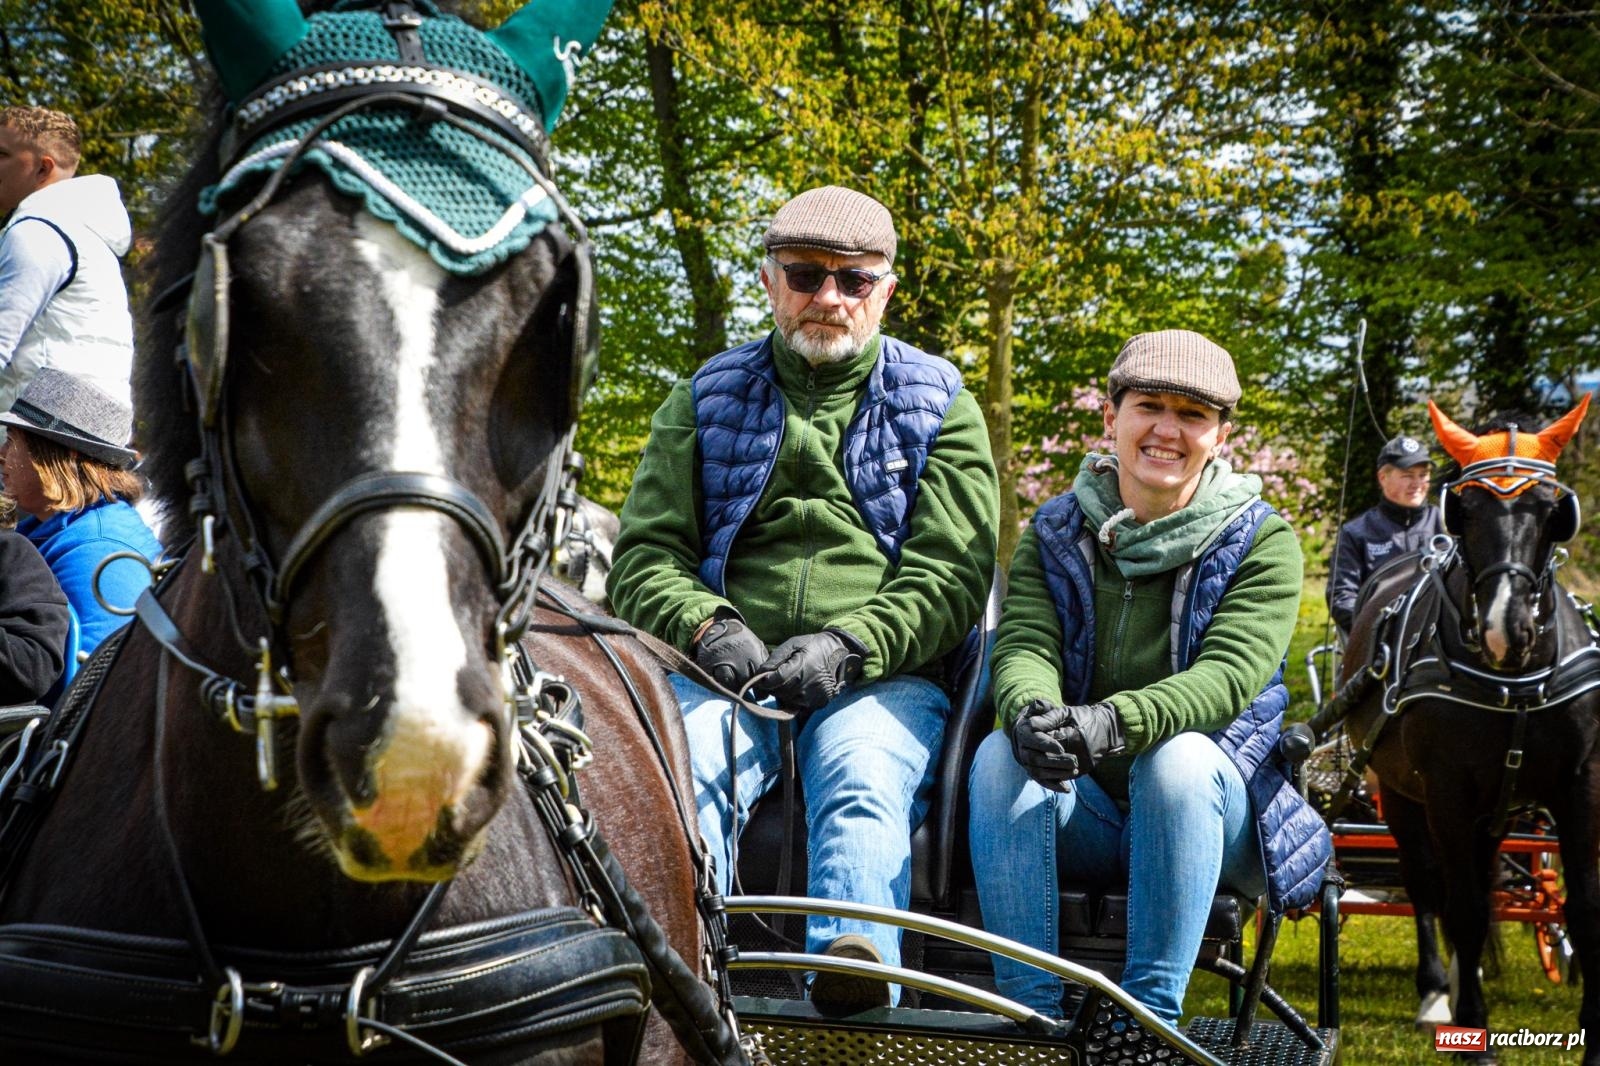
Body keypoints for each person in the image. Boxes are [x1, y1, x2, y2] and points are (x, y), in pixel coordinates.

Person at [608, 185, 999, 1010]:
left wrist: (850, 646)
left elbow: (953, 577)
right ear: (768, 279)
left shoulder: (944, 405)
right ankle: (677, 982)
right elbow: (643, 557)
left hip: (882, 678)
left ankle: (855, 971)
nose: (829, 296)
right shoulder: (702, 398)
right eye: (805, 274)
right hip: (727, 676)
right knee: (689, 772)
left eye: (853, 280)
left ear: (885, 291)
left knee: (862, 774)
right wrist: (707, 627)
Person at [967, 330, 1330, 1026]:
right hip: (1087, 810)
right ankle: (1030, 1020)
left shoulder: (1263, 541)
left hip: (1214, 812)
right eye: (1149, 406)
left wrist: (1109, 722)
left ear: (1220, 436)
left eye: (1193, 414)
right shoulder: (1056, 529)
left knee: (1178, 761)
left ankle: (1147, 1022)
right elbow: (1025, 644)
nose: (1168, 429)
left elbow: (1227, 679)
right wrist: (1032, 713)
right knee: (1000, 754)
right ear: (1112, 417)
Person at [0, 369, 162, 663]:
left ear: (60, 456)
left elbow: (100, 672)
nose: (2, 454)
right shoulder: (52, 525)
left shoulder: (100, 550)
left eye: (12, 441)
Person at [0, 106, 134, 413]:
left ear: (43, 169)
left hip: (38, 431)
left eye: (1, 154)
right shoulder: (88, 235)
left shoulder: (37, 232)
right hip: (92, 427)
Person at [1326, 434, 1443, 635]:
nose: (1417, 483)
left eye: (1423, 475)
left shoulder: (1447, 523)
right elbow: (1341, 596)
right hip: (1379, 639)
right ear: (1383, 478)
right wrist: (1381, 628)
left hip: (1439, 636)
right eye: (1407, 476)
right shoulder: (1356, 532)